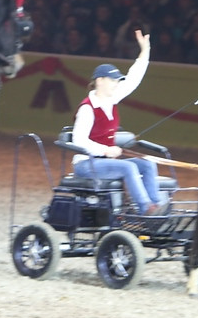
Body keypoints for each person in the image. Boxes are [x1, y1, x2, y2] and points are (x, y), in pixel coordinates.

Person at [70, 28, 167, 216]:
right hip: (86, 164)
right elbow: (79, 141)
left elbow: (133, 79)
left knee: (147, 164)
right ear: (100, 81)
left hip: (104, 162)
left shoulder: (111, 99)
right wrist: (106, 150)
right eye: (113, 80)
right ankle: (145, 207)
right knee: (128, 166)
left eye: (117, 81)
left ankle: (156, 206)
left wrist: (145, 51)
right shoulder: (87, 108)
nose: (117, 84)